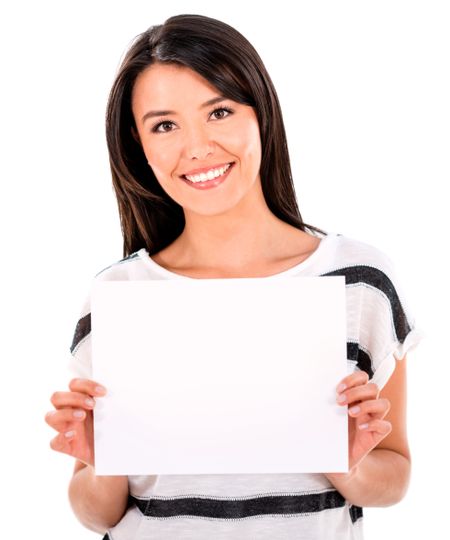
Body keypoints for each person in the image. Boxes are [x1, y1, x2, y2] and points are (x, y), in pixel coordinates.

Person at [45, 13, 424, 540]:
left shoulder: (357, 281)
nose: (197, 147)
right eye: (165, 125)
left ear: (260, 114)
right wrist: (100, 459)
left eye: (219, 111)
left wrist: (346, 462)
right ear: (139, 143)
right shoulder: (118, 295)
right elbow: (96, 513)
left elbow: (396, 475)